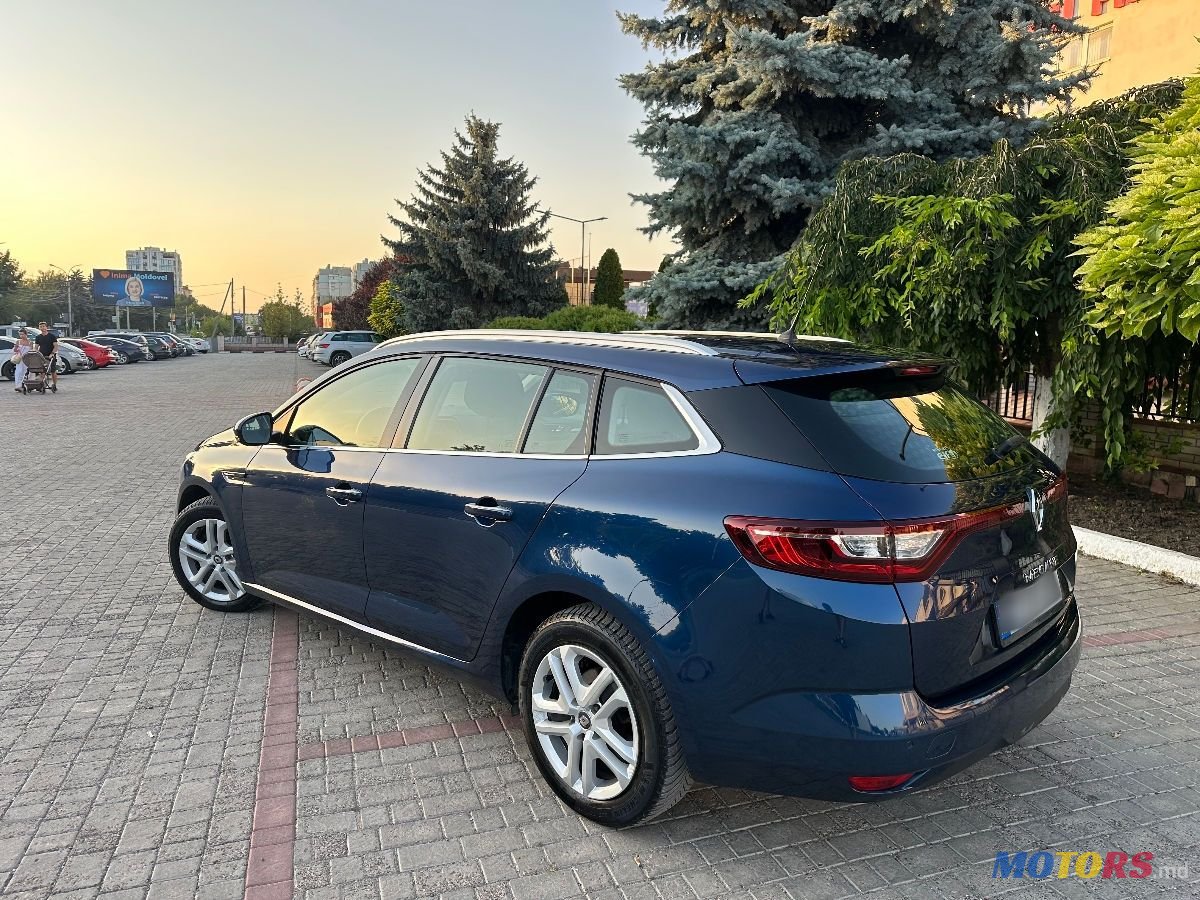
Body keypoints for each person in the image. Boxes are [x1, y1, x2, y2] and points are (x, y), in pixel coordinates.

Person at [34, 322, 59, 393]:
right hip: (42, 356)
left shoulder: (52, 336)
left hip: (50, 355)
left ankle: (54, 384)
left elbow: (56, 346)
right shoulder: (38, 337)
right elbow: (36, 347)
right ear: (39, 328)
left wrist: (52, 353)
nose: (42, 328)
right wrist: (36, 353)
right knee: (42, 370)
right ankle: (42, 384)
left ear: (46, 327)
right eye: (41, 327)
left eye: (43, 326)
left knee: (53, 371)